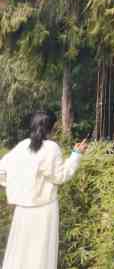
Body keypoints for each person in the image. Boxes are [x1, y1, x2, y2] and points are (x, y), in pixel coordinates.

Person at [0, 110, 88, 269]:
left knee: (20, 251)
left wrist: (17, 186)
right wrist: (76, 154)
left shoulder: (22, 146)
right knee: (41, 252)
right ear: (51, 127)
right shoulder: (51, 148)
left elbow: (1, 171)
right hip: (45, 210)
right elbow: (61, 176)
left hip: (23, 209)